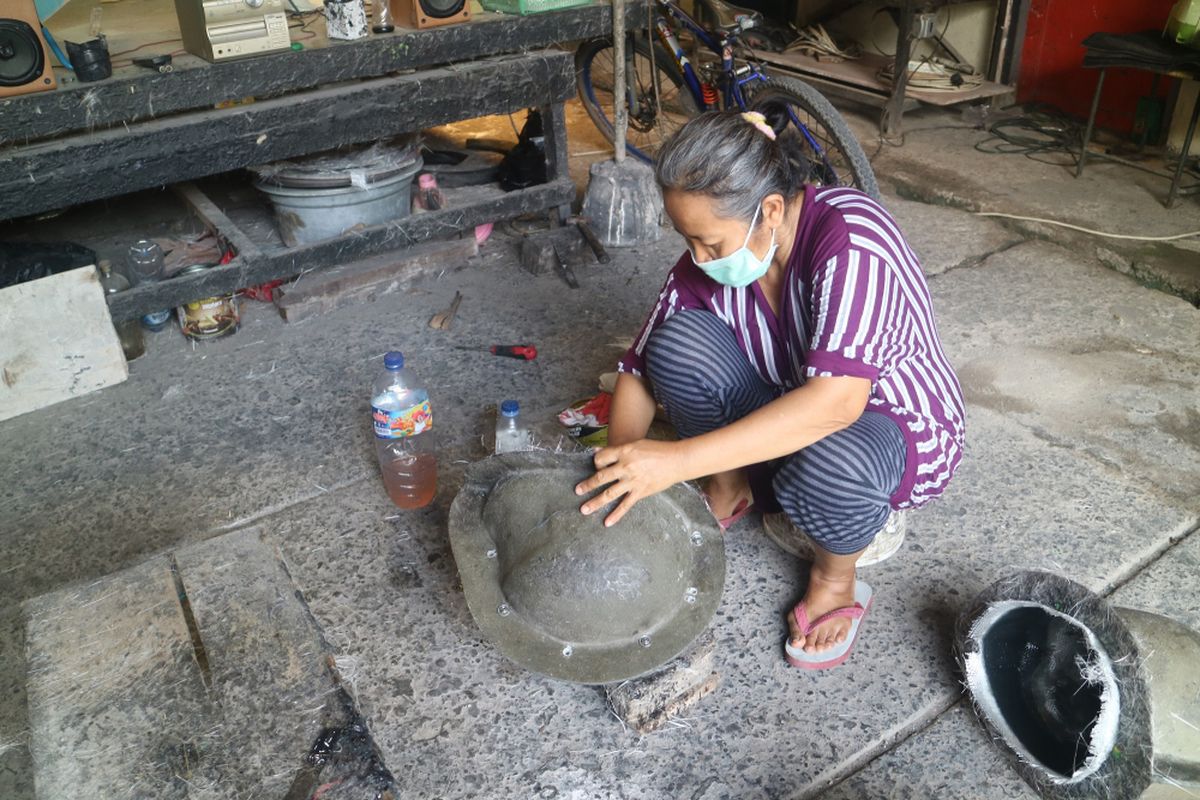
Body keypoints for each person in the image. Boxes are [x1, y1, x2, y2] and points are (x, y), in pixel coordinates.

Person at [574, 109, 965, 670]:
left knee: (833, 459)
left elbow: (837, 405)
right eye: (689, 241)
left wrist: (674, 462)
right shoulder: (712, 255)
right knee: (677, 344)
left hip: (885, 431)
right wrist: (621, 468)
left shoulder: (852, 238)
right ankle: (732, 486)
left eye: (709, 242)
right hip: (789, 404)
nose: (699, 259)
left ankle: (836, 577)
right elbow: (637, 369)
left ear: (772, 210)